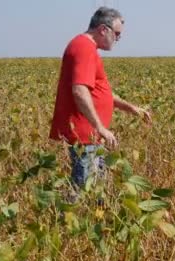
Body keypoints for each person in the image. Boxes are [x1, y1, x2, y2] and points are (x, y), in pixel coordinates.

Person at [49, 7, 152, 190]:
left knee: (97, 190)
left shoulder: (86, 47)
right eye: (117, 34)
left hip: (91, 137)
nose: (118, 39)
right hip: (85, 137)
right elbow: (80, 91)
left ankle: (91, 217)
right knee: (84, 191)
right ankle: (71, 218)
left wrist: (131, 108)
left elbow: (98, 92)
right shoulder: (84, 48)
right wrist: (100, 128)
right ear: (103, 29)